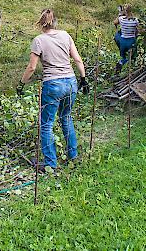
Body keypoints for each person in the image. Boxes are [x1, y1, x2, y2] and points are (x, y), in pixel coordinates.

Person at [17, 9, 89, 173]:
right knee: (66, 118)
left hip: (53, 84)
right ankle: (73, 156)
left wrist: (21, 84)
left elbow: (32, 67)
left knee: (46, 125)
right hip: (71, 82)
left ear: (40, 23)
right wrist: (83, 79)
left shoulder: (39, 40)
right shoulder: (65, 35)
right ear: (55, 21)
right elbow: (77, 59)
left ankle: (51, 164)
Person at [113, 4, 140, 73]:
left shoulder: (121, 19)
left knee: (123, 56)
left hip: (123, 41)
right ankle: (132, 70)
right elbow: (140, 30)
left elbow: (115, 22)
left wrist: (120, 14)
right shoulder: (135, 20)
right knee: (133, 57)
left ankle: (121, 64)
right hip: (131, 41)